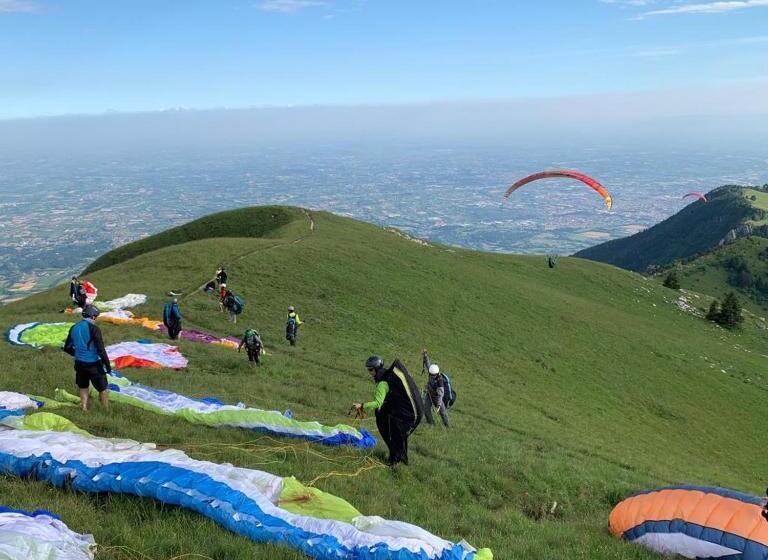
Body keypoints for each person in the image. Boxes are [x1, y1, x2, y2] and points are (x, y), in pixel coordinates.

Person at [352, 356, 423, 466]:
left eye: (370, 370)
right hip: (401, 414)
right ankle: (399, 460)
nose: (369, 372)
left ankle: (394, 462)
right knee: (399, 437)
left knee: (394, 436)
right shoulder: (387, 376)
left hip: (400, 416)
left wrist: (361, 406)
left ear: (376, 369)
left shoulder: (382, 383)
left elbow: (377, 403)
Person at [63, 305, 111, 412]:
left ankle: (84, 408)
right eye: (96, 317)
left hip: (79, 364)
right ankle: (106, 410)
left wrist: (77, 354)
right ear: (93, 317)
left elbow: (67, 347)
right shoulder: (94, 329)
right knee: (103, 389)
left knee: (83, 386)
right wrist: (107, 365)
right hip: (93, 364)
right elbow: (101, 350)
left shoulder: (74, 327)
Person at [421, 350, 450, 428]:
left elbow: (441, 395)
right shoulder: (431, 372)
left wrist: (439, 405)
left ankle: (448, 426)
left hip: (437, 397)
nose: (432, 376)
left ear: (437, 374)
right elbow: (428, 365)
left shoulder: (440, 381)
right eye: (431, 375)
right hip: (429, 393)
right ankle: (431, 423)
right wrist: (425, 356)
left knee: (442, 412)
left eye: (434, 375)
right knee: (426, 409)